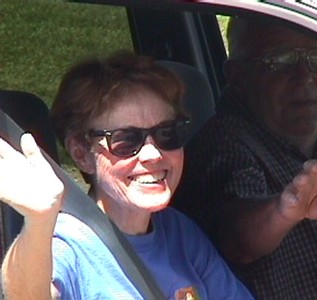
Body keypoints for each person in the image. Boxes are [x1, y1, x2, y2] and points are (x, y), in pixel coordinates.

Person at [173, 17, 317, 299]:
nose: (304, 76)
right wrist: (284, 209)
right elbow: (237, 238)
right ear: (237, 76)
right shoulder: (225, 146)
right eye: (280, 60)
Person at [0, 51, 254, 299]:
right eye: (126, 140)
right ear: (82, 154)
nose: (152, 153)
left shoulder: (180, 232)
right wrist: (38, 222)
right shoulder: (66, 245)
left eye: (167, 133)